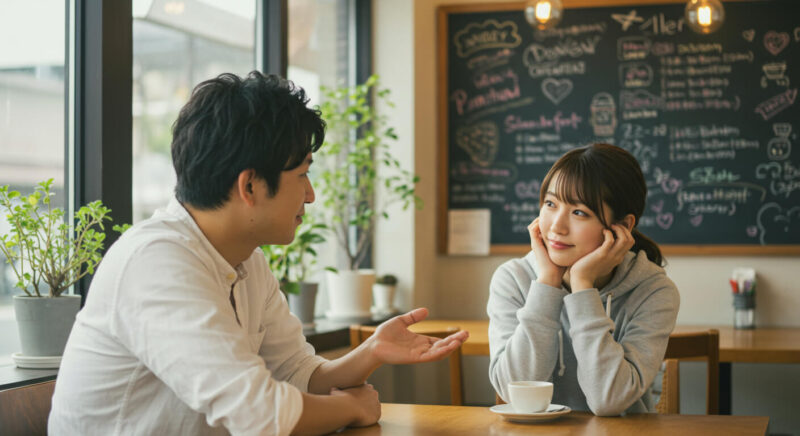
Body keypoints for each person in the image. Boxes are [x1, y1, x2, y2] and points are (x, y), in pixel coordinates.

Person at [49, 72, 468, 435]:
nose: (311, 194)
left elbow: (294, 373)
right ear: (250, 186)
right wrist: (351, 408)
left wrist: (372, 351)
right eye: (302, 174)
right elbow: (259, 414)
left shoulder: (245, 258)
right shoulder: (157, 261)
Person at [487, 143, 679, 416]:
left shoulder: (653, 290)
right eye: (550, 204)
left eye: (579, 212)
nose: (556, 226)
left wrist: (582, 286)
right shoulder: (513, 279)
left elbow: (609, 400)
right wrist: (547, 283)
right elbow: (513, 391)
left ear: (622, 227)